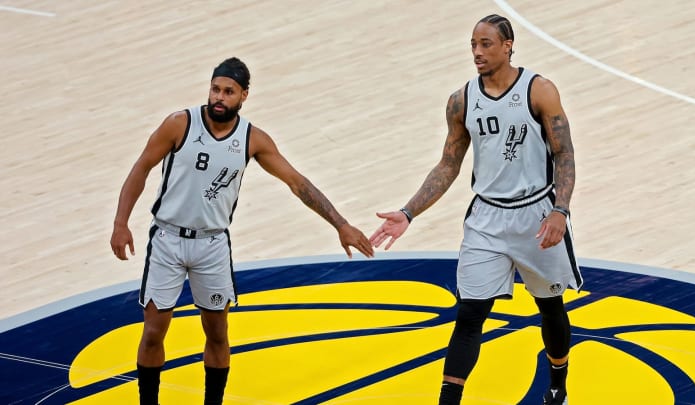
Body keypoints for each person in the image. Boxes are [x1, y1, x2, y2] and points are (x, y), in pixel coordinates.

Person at [110, 57, 374, 405]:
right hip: (168, 240)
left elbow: (297, 182)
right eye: (215, 89)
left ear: (244, 96)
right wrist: (120, 222)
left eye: (228, 92)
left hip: (212, 245)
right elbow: (141, 167)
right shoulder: (179, 124)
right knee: (154, 331)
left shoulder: (252, 139)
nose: (219, 97)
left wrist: (340, 224)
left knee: (218, 334)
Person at [370, 14, 580, 405]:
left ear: (508, 45)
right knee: (469, 315)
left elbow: (563, 152)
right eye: (473, 44)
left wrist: (560, 211)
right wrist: (409, 211)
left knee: (550, 307)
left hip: (537, 213)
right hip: (486, 218)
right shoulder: (462, 100)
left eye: (486, 44)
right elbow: (449, 163)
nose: (477, 52)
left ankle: (557, 385)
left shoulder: (539, 90)